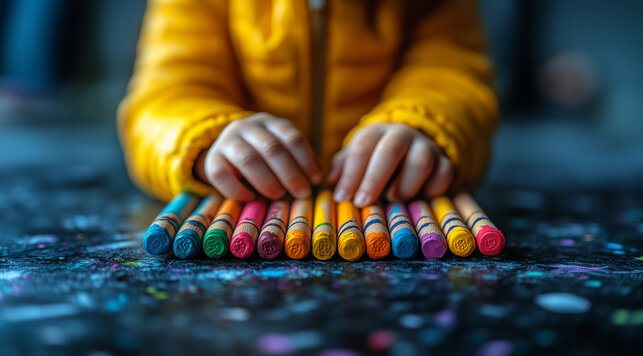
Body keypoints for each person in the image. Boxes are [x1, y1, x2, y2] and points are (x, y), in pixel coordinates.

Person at [118, 0, 498, 207]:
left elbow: (453, 72)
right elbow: (165, 94)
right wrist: (204, 140)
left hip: (392, 204)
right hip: (246, 208)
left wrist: (428, 124)